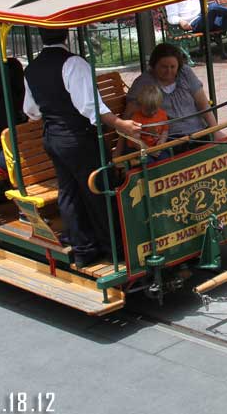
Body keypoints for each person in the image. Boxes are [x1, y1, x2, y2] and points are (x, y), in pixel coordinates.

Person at [23, 28, 140, 267]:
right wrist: (120, 124)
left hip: (53, 138)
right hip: (77, 138)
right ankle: (115, 249)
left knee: (69, 193)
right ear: (65, 34)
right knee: (98, 189)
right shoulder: (73, 63)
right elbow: (91, 105)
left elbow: (32, 112)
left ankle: (84, 250)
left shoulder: (31, 68)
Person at [125, 43, 226, 143]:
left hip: (199, 133)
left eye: (173, 67)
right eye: (164, 67)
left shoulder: (185, 72)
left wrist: (216, 131)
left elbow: (203, 105)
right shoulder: (143, 82)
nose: (169, 71)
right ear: (154, 65)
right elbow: (129, 115)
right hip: (171, 140)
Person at [165, 0, 227, 64]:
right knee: (212, 7)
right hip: (194, 24)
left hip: (207, 20)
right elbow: (171, 17)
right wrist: (180, 20)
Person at [115, 84, 169, 159]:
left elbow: (165, 131)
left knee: (166, 157)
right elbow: (135, 141)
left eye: (155, 110)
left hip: (154, 146)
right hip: (137, 148)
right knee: (147, 161)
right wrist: (149, 150)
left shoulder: (162, 114)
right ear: (141, 106)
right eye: (147, 110)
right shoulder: (136, 118)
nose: (152, 112)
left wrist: (162, 141)